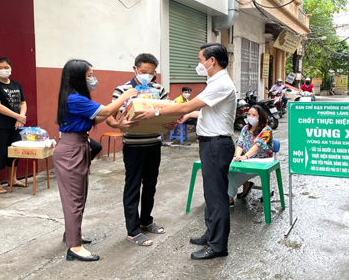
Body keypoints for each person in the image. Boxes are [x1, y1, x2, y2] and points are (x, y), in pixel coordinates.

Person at [133, 43, 237, 260]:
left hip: (216, 144)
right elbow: (207, 113)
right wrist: (189, 116)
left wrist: (156, 112)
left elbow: (185, 106)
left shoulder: (221, 83)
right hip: (211, 142)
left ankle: (218, 246)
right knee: (211, 194)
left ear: (212, 61)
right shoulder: (215, 82)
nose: (199, 64)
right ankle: (211, 234)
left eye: (201, 60)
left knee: (217, 197)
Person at [53, 59, 139, 261]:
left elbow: (97, 117)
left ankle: (71, 235)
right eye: (89, 75)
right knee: (74, 199)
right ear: (78, 77)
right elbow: (106, 111)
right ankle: (74, 247)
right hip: (72, 149)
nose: (93, 79)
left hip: (78, 146)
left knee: (78, 196)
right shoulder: (74, 99)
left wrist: (118, 120)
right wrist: (125, 96)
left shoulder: (74, 98)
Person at [106, 53, 168, 247]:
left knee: (150, 184)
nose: (147, 76)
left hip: (154, 143)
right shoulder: (123, 90)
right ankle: (132, 231)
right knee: (133, 185)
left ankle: (146, 220)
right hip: (133, 145)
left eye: (151, 73)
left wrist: (169, 124)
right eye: (143, 72)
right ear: (135, 69)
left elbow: (168, 111)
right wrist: (119, 126)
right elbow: (109, 116)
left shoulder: (159, 89)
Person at [0, 57, 28, 193]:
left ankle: (12, 179)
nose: (3, 70)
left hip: (16, 125)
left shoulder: (16, 84)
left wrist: (20, 119)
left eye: (6, 67)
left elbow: (23, 102)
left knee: (14, 153)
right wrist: (18, 116)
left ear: (10, 68)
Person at [228, 106, 273, 207]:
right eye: (248, 114)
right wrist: (238, 156)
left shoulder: (266, 129)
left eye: (254, 115)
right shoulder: (245, 128)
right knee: (229, 169)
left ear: (260, 116)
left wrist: (245, 156)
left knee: (233, 174)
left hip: (261, 161)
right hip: (246, 160)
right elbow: (240, 144)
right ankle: (232, 195)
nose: (250, 116)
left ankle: (229, 197)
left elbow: (257, 145)